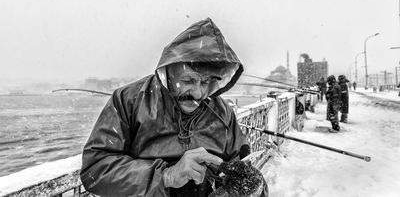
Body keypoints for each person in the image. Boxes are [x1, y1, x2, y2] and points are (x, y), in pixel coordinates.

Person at [80, 18, 268, 197]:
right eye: (188, 80)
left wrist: (253, 187)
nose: (197, 93)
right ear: (167, 72)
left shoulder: (223, 113)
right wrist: (167, 176)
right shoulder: (129, 101)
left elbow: (241, 171)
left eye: (206, 82)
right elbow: (95, 170)